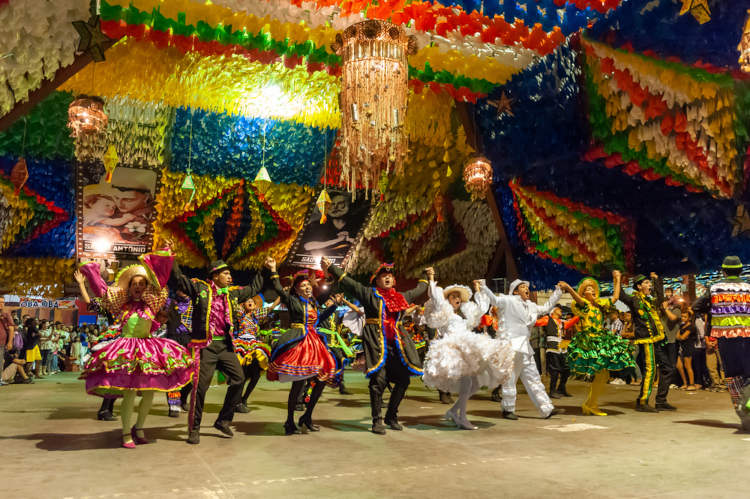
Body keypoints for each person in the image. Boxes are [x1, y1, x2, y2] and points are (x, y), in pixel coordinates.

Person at [77, 250, 194, 448]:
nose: (138, 286)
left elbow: (162, 281)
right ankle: (125, 433)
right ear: (129, 287)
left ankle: (139, 427)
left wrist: (165, 255)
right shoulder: (121, 306)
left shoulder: (153, 304)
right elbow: (103, 292)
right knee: (130, 393)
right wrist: (89, 273)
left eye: (142, 283)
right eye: (134, 284)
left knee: (150, 392)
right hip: (127, 349)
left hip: (149, 349)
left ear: (147, 287)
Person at [323, 258, 431, 434]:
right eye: (383, 276)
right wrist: (332, 268)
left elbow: (418, 289)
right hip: (376, 344)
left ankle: (391, 415)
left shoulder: (401, 297)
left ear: (394, 281)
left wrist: (427, 276)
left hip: (397, 346)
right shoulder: (369, 294)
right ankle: (377, 420)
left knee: (403, 381)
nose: (387, 278)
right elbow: (349, 283)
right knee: (378, 382)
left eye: (390, 276)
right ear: (376, 280)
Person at [169, 258, 264, 445]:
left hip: (226, 347)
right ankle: (194, 428)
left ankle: (223, 420)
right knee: (200, 388)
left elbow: (253, 288)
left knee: (238, 379)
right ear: (215, 275)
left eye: (230, 274)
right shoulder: (200, 289)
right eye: (226, 274)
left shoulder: (231, 294)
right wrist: (170, 255)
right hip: (206, 346)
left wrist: (266, 269)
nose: (230, 277)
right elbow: (180, 279)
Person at [422, 278, 513, 430]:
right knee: (467, 383)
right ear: (448, 300)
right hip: (454, 348)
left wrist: (478, 290)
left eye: (458, 297)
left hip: (467, 347)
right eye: (453, 296)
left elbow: (481, 309)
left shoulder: (464, 314)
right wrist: (431, 279)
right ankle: (462, 416)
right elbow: (436, 299)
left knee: (475, 384)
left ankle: (453, 411)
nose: (457, 299)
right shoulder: (445, 312)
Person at [263, 261, 342, 434]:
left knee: (322, 379)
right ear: (297, 290)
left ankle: (307, 416)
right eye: (303, 286)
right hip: (300, 343)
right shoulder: (292, 300)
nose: (307, 288)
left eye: (308, 285)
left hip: (315, 342)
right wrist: (274, 270)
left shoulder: (312, 304)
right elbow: (277, 288)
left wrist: (334, 305)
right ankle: (289, 421)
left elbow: (319, 319)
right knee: (298, 386)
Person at [477, 278, 565, 420]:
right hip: (511, 346)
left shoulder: (531, 306)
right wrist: (483, 286)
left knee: (533, 378)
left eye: (527, 287)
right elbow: (494, 300)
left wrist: (558, 292)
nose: (526, 289)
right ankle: (508, 409)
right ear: (516, 291)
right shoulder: (508, 300)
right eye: (523, 287)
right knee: (510, 378)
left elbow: (547, 307)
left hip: (525, 347)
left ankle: (546, 408)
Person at [559, 271, 634, 416]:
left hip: (601, 339)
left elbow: (616, 297)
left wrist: (617, 279)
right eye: (588, 289)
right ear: (583, 293)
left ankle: (590, 404)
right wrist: (568, 288)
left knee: (604, 375)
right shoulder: (584, 305)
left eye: (593, 289)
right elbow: (578, 299)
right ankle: (591, 404)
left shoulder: (600, 305)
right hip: (590, 341)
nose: (591, 290)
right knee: (601, 374)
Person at [692, 256, 750, 431]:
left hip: (725, 338)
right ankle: (748, 403)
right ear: (741, 270)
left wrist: (715, 309)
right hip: (747, 336)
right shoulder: (748, 287)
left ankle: (743, 410)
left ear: (723, 271)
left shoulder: (715, 288)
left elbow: (696, 306)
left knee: (733, 375)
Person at [619, 273, 676, 412]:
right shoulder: (634, 299)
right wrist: (617, 279)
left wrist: (656, 279)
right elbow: (621, 295)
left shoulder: (650, 301)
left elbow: (660, 298)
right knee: (650, 370)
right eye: (646, 283)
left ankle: (661, 401)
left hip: (657, 340)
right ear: (639, 286)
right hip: (645, 340)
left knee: (667, 368)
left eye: (648, 283)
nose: (648, 285)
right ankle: (642, 401)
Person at [234, 295, 277, 414]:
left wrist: (281, 295)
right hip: (241, 344)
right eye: (248, 301)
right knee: (241, 375)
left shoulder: (256, 316)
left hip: (253, 345)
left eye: (252, 301)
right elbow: (234, 305)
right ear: (243, 304)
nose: (250, 302)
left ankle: (244, 398)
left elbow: (272, 307)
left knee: (256, 375)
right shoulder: (240, 314)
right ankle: (237, 402)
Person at [535, 306, 579, 398]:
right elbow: (535, 322)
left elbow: (571, 322)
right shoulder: (547, 319)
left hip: (562, 348)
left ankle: (561, 388)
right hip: (552, 348)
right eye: (558, 309)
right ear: (553, 311)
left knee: (567, 369)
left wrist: (581, 314)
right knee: (554, 370)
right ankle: (552, 391)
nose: (561, 310)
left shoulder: (562, 322)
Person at [163, 290, 194, 417]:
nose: (184, 291)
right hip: (172, 339)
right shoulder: (170, 302)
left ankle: (183, 399)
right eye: (180, 288)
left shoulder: (195, 304)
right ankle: (173, 404)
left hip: (189, 340)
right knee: (173, 374)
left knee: (192, 374)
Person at [675, 309, 698, 390]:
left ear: (689, 318)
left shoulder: (691, 326)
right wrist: (680, 337)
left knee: (688, 366)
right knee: (680, 366)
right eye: (682, 316)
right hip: (682, 348)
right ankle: (685, 383)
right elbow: (678, 337)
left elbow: (682, 337)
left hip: (689, 348)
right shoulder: (682, 326)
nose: (683, 318)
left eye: (685, 317)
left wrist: (680, 337)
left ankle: (691, 384)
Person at [0, 296, 15, 385]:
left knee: (0, 361)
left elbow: (11, 328)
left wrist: (10, 342)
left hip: (1, 342)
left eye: (3, 303)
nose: (1, 304)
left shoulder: (6, 315)